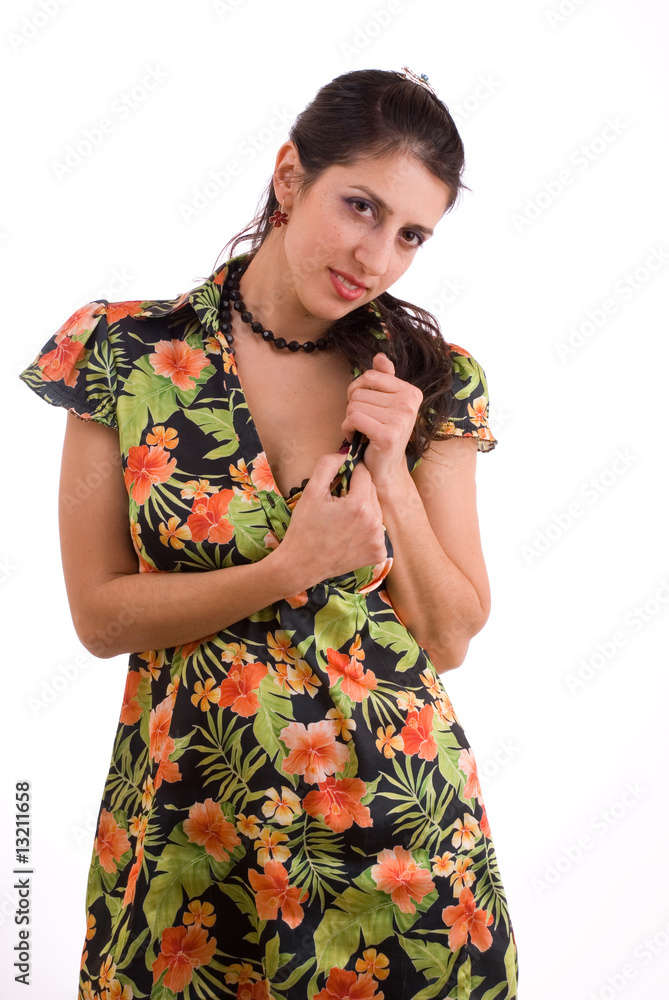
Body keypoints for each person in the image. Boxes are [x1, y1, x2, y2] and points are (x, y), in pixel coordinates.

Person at [19, 67, 518, 1000]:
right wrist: (291, 565)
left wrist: (389, 469)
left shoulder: (433, 380)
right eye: (360, 206)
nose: (376, 256)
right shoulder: (123, 352)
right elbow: (100, 617)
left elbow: (449, 635)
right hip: (187, 832)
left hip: (396, 838)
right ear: (290, 175)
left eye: (410, 235)